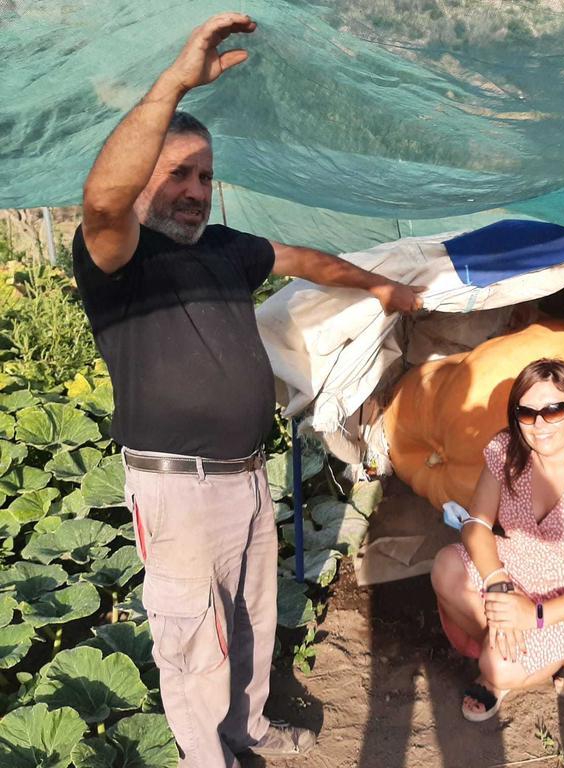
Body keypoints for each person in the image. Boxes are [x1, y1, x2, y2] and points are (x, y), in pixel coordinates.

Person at [72, 14, 425, 768]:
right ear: (141, 177)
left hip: (246, 476)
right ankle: (210, 759)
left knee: (253, 619)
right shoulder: (120, 257)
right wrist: (174, 84)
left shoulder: (226, 249)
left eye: (205, 177)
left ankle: (249, 727)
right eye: (178, 173)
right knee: (193, 639)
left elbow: (307, 260)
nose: (195, 191)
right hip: (178, 488)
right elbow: (102, 203)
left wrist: (381, 286)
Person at [430, 359, 564, 720]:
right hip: (518, 568)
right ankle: (506, 647)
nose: (539, 424)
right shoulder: (506, 450)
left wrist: (533, 616)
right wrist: (498, 585)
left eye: (553, 411)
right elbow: (476, 525)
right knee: (446, 568)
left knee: (498, 668)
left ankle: (557, 652)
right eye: (527, 413)